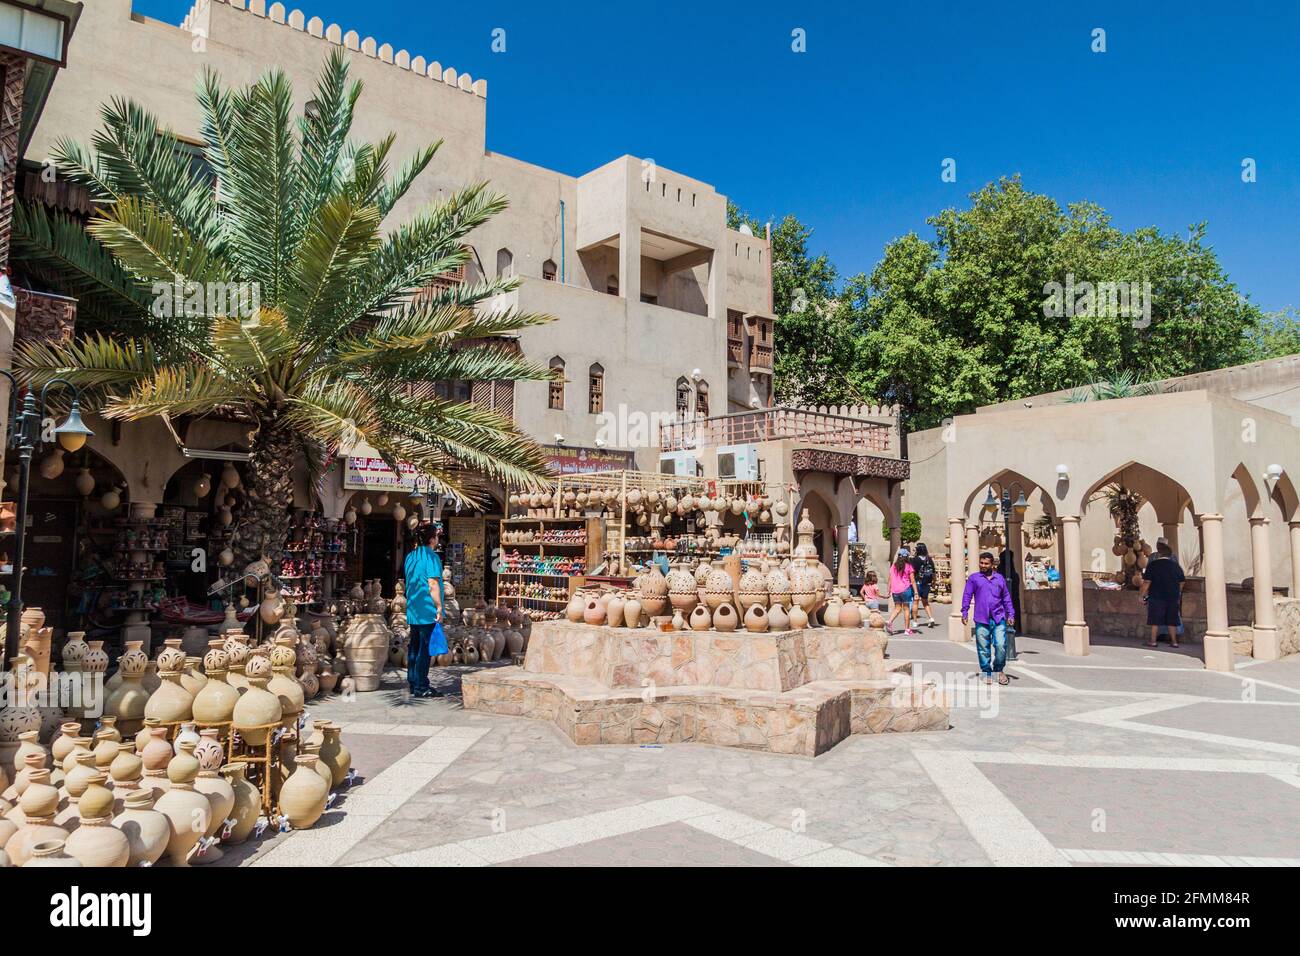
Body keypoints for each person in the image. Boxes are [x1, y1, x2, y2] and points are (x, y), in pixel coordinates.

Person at [403, 521, 445, 698]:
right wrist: (439, 607)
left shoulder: (410, 557)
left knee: (414, 647)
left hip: (413, 608)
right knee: (424, 649)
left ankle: (413, 682)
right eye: (436, 536)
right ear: (431, 539)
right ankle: (421, 686)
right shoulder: (431, 557)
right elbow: (433, 583)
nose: (437, 539)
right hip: (427, 609)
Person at [961, 551, 1016, 685]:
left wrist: (1011, 614)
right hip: (981, 618)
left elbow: (1006, 598)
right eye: (981, 563)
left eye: (986, 563)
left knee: (1001, 645)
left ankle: (999, 670)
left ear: (992, 564)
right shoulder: (974, 578)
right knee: (983, 647)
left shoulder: (1000, 579)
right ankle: (986, 671)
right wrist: (964, 612)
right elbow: (967, 595)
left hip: (998, 617)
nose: (983, 565)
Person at [1141, 537, 1185, 649]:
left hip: (1156, 595)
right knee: (1172, 620)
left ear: (1159, 553)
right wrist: (1177, 591)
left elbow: (1147, 582)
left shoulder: (1153, 565)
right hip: (1172, 596)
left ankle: (1153, 641)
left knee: (1155, 620)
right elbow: (1182, 581)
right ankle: (1174, 642)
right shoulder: (1175, 566)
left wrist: (1142, 594)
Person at [886, 547, 918, 635]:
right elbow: (913, 581)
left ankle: (889, 622)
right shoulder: (909, 566)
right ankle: (907, 629)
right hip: (905, 589)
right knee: (906, 609)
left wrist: (888, 590)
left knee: (897, 608)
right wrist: (916, 592)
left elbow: (890, 579)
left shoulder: (893, 566)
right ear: (906, 556)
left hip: (895, 590)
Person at [911, 543, 938, 628]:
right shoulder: (929, 559)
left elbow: (911, 573)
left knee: (916, 602)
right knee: (925, 602)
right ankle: (931, 618)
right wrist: (934, 582)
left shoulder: (915, 560)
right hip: (927, 583)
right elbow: (933, 572)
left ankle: (915, 621)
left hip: (917, 583)